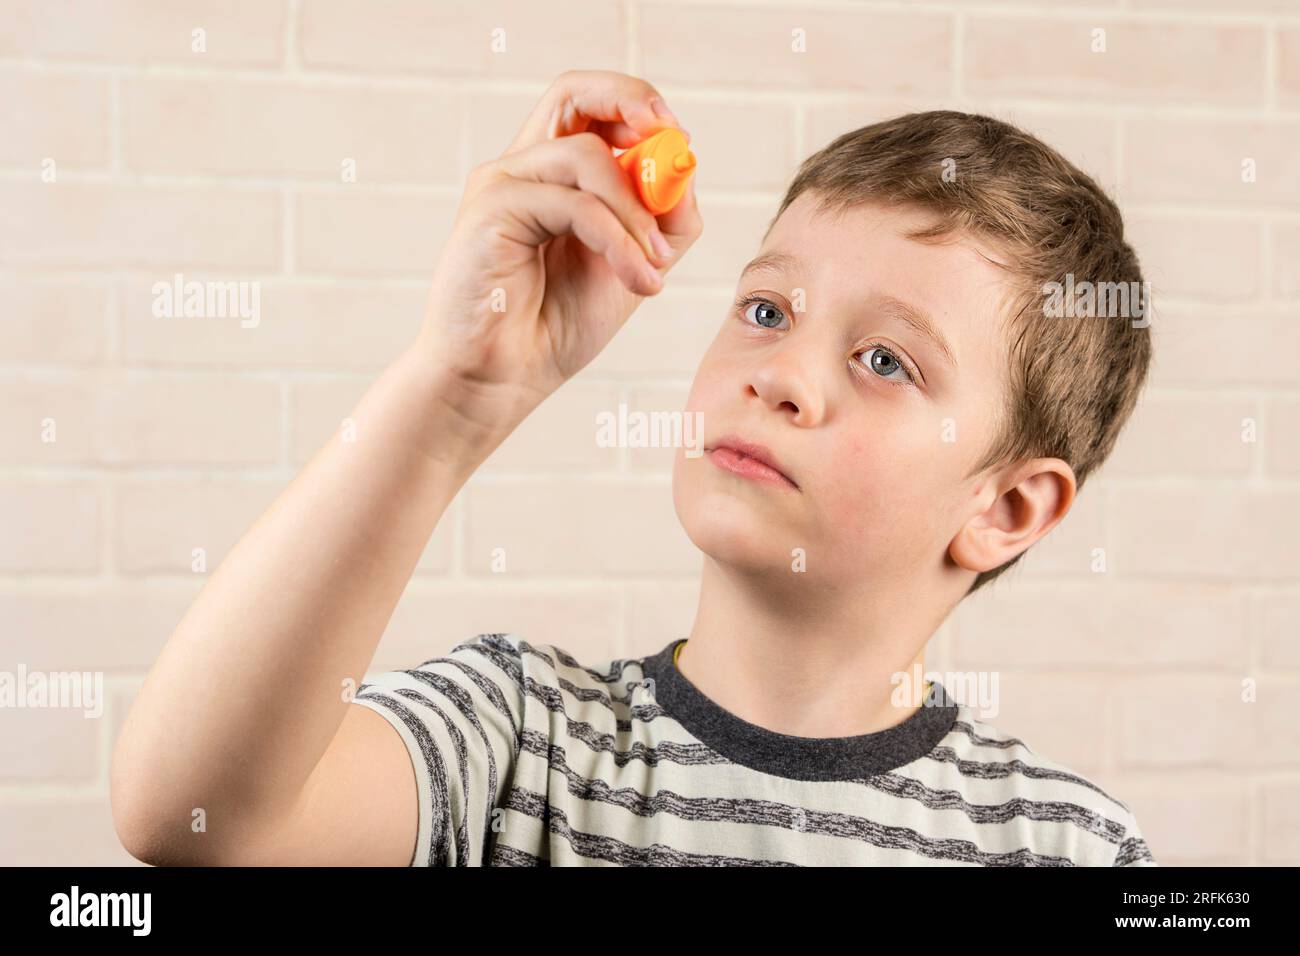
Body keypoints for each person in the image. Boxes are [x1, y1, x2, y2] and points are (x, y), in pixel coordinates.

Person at [111, 69, 1155, 867]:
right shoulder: (518, 736)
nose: (780, 373)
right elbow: (190, 815)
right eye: (765, 310)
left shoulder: (1067, 845)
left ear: (1006, 505)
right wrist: (455, 396)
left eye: (885, 359)